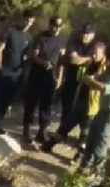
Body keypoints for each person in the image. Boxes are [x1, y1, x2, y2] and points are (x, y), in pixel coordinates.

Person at [0, 10, 37, 143]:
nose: (28, 24)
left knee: (6, 101)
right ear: (22, 19)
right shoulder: (9, 31)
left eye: (31, 22)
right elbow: (0, 49)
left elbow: (28, 55)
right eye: (26, 20)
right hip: (5, 70)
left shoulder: (29, 37)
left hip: (17, 74)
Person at [41, 41, 108, 156]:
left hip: (92, 104)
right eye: (92, 53)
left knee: (85, 132)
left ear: (103, 54)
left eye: (96, 54)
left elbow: (102, 85)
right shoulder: (89, 62)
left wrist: (90, 80)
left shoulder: (105, 68)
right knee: (67, 124)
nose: (93, 55)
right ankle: (50, 144)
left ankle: (80, 155)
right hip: (81, 99)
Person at [79, 46, 110, 171]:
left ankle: (97, 170)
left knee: (102, 141)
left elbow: (106, 88)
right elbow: (97, 78)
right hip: (102, 110)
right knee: (91, 137)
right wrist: (90, 79)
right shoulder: (109, 71)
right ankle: (84, 166)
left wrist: (91, 81)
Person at [22, 15, 68, 146]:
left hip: (51, 77)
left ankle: (42, 131)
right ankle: (27, 129)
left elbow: (62, 60)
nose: (56, 28)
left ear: (61, 26)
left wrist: (60, 77)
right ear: (50, 25)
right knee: (31, 102)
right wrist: (43, 62)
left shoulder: (63, 40)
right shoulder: (41, 37)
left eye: (58, 26)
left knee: (46, 105)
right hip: (37, 75)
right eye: (54, 25)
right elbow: (33, 55)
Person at [58, 23, 97, 129]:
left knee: (84, 108)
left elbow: (94, 60)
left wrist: (83, 59)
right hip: (71, 80)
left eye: (87, 34)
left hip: (86, 83)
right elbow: (73, 60)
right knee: (67, 106)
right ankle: (62, 130)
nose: (85, 35)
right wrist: (87, 59)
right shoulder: (74, 44)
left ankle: (83, 133)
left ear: (92, 35)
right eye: (83, 33)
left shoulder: (94, 47)